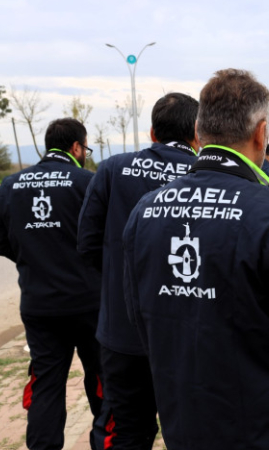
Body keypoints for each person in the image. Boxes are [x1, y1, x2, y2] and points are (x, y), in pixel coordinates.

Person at [121, 69, 269, 450]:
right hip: (261, 427)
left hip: (181, 422)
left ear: (199, 130)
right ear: (261, 133)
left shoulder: (144, 210)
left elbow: (138, 316)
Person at [77, 93, 200, 450]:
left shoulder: (112, 170)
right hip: (190, 335)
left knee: (126, 432)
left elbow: (87, 244)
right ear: (198, 132)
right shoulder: (207, 176)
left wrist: (121, 283)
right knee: (195, 432)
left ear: (152, 133)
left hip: (123, 332)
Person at [0, 118, 103, 450]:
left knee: (46, 386)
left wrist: (37, 262)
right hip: (89, 304)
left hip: (39, 306)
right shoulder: (88, 183)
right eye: (86, 149)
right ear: (77, 147)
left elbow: (0, 244)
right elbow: (104, 242)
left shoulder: (11, 185)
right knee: (103, 382)